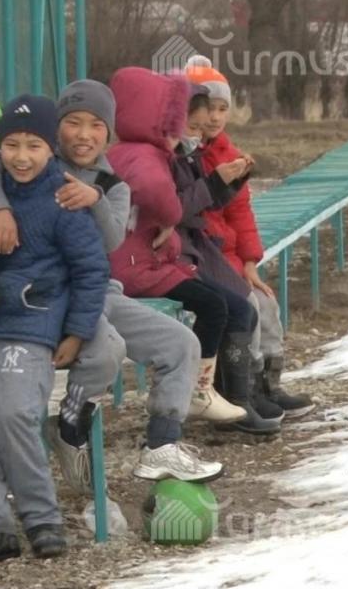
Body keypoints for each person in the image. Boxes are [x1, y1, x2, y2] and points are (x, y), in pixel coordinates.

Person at [0, 79, 224, 494]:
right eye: (73, 122)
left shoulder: (111, 184)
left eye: (96, 125)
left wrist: (95, 200)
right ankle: (52, 441)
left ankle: (156, 443)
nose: (83, 135)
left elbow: (111, 241)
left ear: (109, 131)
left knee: (182, 344)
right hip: (44, 297)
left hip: (99, 293)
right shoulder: (30, 158)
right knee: (106, 350)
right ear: (56, 127)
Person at [0, 94, 110, 564]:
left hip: (30, 323)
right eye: (12, 145)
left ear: (51, 148)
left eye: (33, 146)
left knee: (16, 417)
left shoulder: (63, 198)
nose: (21, 157)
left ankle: (42, 519)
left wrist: (76, 332)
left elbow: (92, 270)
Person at [105, 66, 261, 431]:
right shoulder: (145, 155)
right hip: (140, 264)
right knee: (219, 306)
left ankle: (234, 393)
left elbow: (195, 206)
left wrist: (226, 182)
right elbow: (167, 199)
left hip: (156, 258)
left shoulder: (153, 153)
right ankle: (201, 392)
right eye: (185, 126)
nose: (192, 135)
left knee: (235, 305)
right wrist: (174, 213)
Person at [186, 58, 315, 422]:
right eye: (207, 108)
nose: (214, 117)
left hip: (227, 255)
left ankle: (266, 385)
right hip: (200, 253)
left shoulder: (229, 153)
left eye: (222, 108)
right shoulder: (187, 154)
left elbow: (241, 214)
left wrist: (249, 262)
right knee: (248, 307)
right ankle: (238, 390)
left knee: (266, 302)